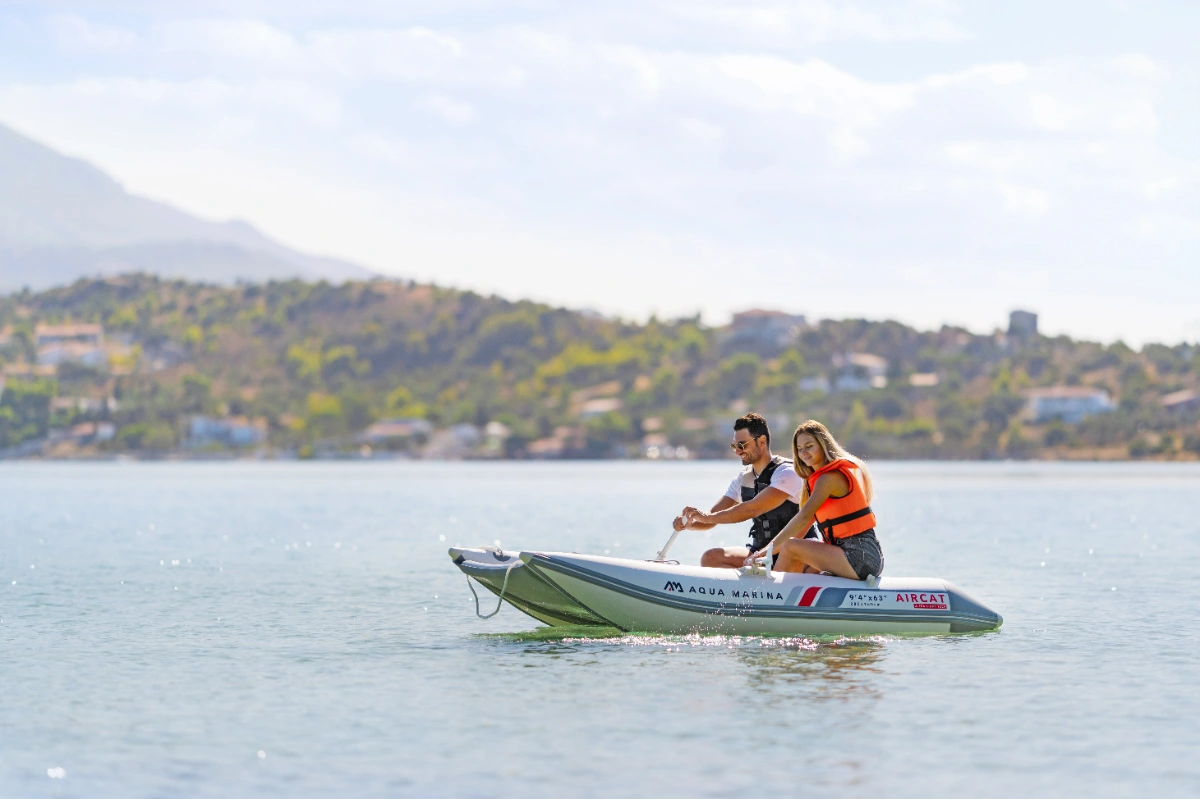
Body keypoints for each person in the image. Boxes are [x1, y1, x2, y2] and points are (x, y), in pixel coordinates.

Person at [673, 413, 819, 568]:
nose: (737, 451)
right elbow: (712, 516)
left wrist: (706, 518)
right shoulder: (743, 479)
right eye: (734, 446)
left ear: (762, 441)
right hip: (760, 553)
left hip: (795, 552)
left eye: (742, 445)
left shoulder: (788, 473)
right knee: (711, 558)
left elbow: (753, 508)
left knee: (782, 565)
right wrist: (690, 522)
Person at [752, 419, 884, 581]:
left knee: (792, 547)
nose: (803, 453)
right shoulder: (814, 482)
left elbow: (802, 518)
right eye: (799, 449)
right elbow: (801, 530)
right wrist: (768, 556)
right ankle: (788, 598)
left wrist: (766, 551)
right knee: (800, 557)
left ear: (824, 445)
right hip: (850, 553)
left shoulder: (829, 478)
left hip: (861, 556)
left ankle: (769, 594)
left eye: (809, 446)